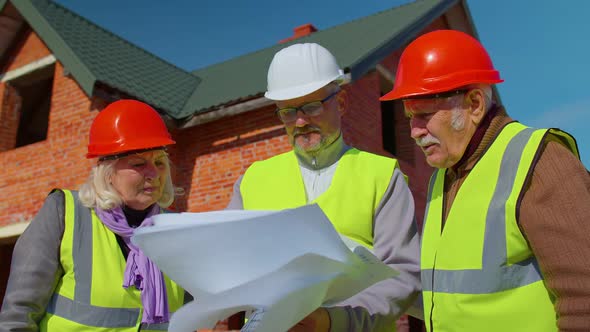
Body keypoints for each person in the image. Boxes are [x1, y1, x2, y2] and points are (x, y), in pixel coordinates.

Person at [380, 29, 590, 331]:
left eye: (424, 115)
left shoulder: (539, 160)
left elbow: (584, 302)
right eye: (409, 117)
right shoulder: (441, 179)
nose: (414, 131)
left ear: (475, 104)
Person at [226, 43, 421, 331]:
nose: (301, 121)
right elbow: (227, 267)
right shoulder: (253, 180)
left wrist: (332, 321)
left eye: (312, 106)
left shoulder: (381, 175)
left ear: (340, 103)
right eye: (288, 112)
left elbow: (403, 277)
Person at [0, 99, 188, 331]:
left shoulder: (178, 230)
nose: (153, 173)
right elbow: (18, 315)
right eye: (139, 163)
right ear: (107, 173)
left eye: (160, 162)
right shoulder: (65, 212)